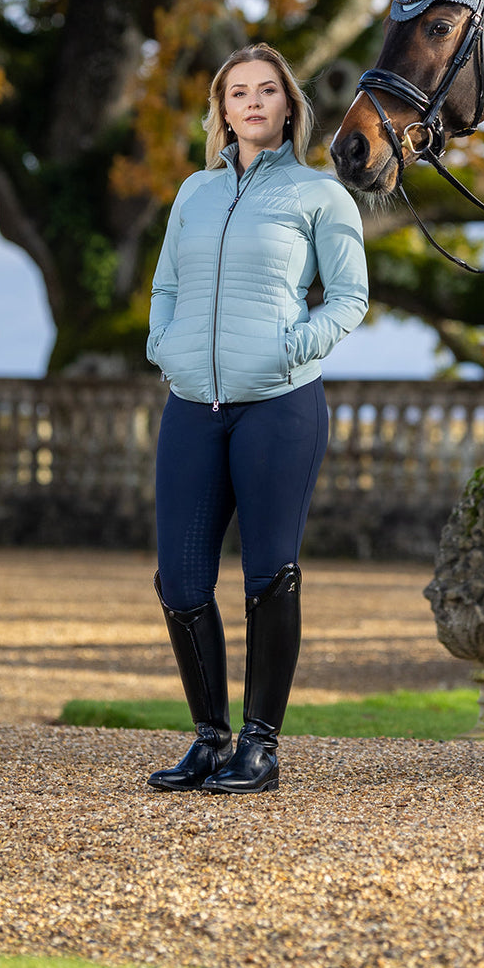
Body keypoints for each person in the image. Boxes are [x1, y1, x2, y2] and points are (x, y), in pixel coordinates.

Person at [145, 43, 369, 794]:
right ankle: (210, 739)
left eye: (266, 90)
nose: (252, 102)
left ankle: (260, 746)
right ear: (222, 109)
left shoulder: (320, 195)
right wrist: (163, 346)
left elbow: (349, 298)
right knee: (180, 581)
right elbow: (165, 286)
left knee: (269, 576)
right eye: (237, 92)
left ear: (288, 105)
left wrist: (290, 349)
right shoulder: (194, 193)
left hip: (278, 405)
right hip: (192, 406)